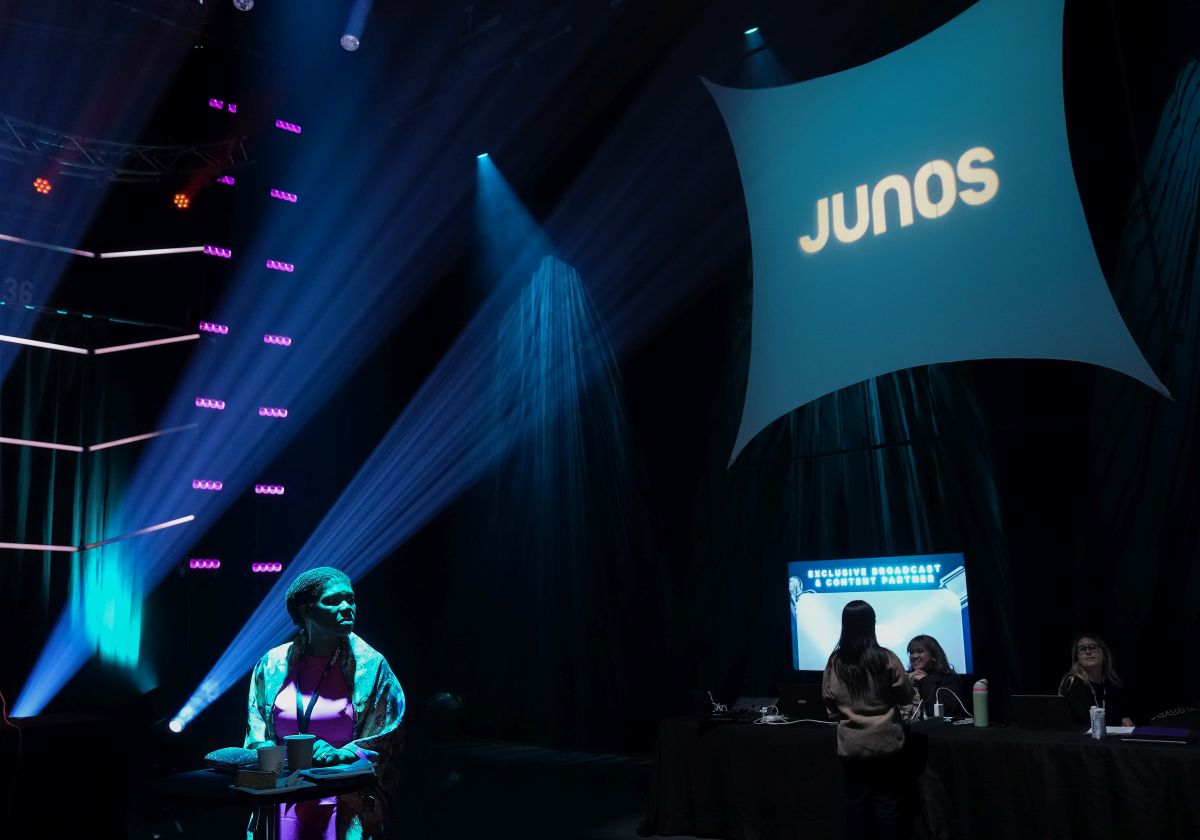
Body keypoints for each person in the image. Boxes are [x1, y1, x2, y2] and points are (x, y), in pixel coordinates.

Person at [245, 567, 406, 840]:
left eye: (350, 599)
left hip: (343, 799)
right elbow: (256, 731)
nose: (347, 607)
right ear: (306, 611)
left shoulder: (372, 666)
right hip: (283, 797)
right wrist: (276, 763)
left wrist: (344, 754)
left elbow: (389, 736)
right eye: (333, 601)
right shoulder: (271, 665)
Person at [822, 600, 915, 840]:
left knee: (855, 806)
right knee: (888, 804)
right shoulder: (886, 658)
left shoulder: (835, 662)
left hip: (851, 746)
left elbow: (829, 701)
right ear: (871, 624)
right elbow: (906, 698)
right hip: (887, 744)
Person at [1058, 632, 1133, 728]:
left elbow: (1118, 713)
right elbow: (1086, 723)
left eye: (1093, 647)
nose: (1088, 652)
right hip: (1080, 741)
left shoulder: (1112, 683)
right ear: (1078, 658)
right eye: (1082, 649)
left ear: (1104, 654)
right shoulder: (1072, 682)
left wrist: (1123, 719)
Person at [906, 634, 967, 719]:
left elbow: (943, 712)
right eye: (911, 652)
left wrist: (926, 681)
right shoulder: (905, 677)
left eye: (920, 651)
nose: (914, 656)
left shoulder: (948, 679)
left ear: (933, 655)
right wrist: (904, 680)